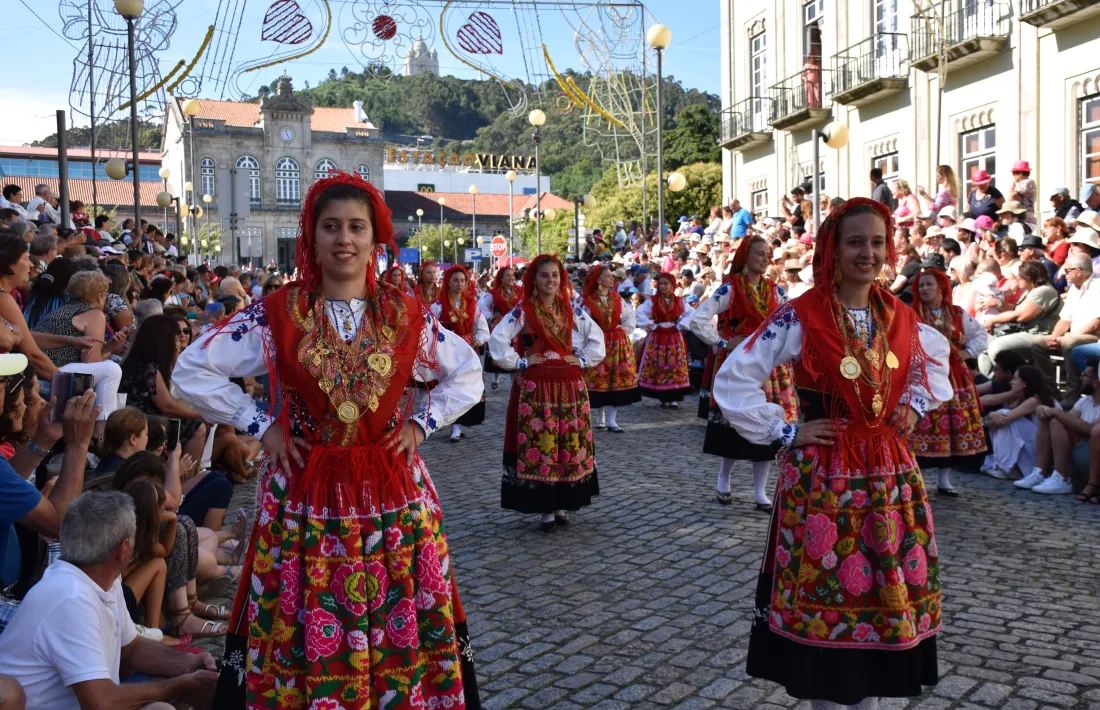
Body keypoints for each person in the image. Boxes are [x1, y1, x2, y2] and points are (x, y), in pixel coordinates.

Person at [174, 171, 483, 707]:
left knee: (397, 603)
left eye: (356, 227)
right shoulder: (276, 315)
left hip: (390, 489)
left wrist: (420, 424)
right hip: (304, 491)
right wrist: (260, 425)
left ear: (374, 239)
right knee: (301, 606)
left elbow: (469, 373)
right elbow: (191, 369)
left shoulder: (405, 315)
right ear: (311, 238)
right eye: (331, 226)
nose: (344, 238)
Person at [715, 197, 952, 707]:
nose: (868, 253)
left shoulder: (901, 315)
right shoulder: (801, 315)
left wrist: (912, 404)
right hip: (825, 473)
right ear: (832, 248)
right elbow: (734, 378)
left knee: (880, 591)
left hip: (889, 473)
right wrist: (786, 431)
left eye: (878, 242)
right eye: (855, 242)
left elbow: (933, 362)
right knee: (829, 589)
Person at [0, 491, 218, 708]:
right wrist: (181, 685)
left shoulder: (101, 579)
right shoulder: (71, 597)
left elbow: (131, 647)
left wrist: (189, 664)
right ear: (123, 549)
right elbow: (101, 703)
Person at [488, 254, 604, 531]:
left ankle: (562, 502)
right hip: (536, 385)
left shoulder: (571, 309)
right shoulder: (523, 310)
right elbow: (498, 339)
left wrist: (583, 359)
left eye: (555, 275)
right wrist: (519, 362)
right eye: (544, 276)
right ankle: (545, 509)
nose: (550, 280)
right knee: (541, 442)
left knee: (566, 441)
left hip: (567, 384)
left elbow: (596, 336)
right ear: (534, 280)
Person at [690, 235, 798, 510]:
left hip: (769, 369)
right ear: (746, 257)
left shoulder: (777, 292)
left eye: (768, 254)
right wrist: (723, 342)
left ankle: (760, 492)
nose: (765, 259)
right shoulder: (730, 290)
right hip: (739, 366)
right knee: (736, 425)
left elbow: (792, 323)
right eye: (760, 254)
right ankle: (723, 477)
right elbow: (698, 318)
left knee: (769, 424)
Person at [909, 268, 989, 495]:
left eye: (928, 284)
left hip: (953, 376)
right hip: (923, 374)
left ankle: (944, 480)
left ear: (941, 288)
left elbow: (980, 336)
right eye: (920, 285)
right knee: (922, 424)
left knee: (951, 426)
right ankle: (918, 479)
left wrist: (968, 352)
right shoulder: (912, 313)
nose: (924, 289)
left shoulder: (957, 314)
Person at [1014, 360, 1100, 496]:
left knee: (1056, 420)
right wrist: (1050, 412)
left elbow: (1089, 429)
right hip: (1079, 450)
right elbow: (1069, 419)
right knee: (1051, 419)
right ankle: (1040, 472)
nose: (1081, 378)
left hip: (1093, 455)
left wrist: (1056, 412)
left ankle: (1062, 478)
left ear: (1096, 381)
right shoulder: (1085, 401)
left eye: (1084, 375)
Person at [431, 264, 489, 442]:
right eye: (455, 280)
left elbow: (482, 327)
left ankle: (461, 423)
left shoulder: (472, 304)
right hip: (449, 351)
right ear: (448, 282)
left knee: (467, 386)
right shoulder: (438, 305)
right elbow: (431, 328)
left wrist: (479, 338)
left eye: (462, 280)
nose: (459, 284)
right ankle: (454, 426)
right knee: (451, 386)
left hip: (468, 351)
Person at [578, 264, 640, 432]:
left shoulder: (617, 298)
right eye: (607, 276)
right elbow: (582, 324)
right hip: (598, 343)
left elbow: (629, 317)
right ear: (598, 280)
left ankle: (612, 420)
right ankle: (600, 417)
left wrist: (624, 330)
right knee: (600, 378)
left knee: (616, 378)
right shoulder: (588, 301)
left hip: (617, 343)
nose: (612, 278)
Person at [982, 365, 1055, 481]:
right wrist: (989, 417)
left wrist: (990, 416)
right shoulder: (1022, 398)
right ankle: (1008, 467)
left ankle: (1005, 467)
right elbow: (995, 421)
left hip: (1045, 445)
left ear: (1025, 383)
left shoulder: (1035, 399)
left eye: (1015, 379)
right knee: (1002, 416)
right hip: (1034, 442)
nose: (1012, 382)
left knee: (1003, 414)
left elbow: (1005, 419)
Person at [635, 272, 693, 407]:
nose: (663, 286)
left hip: (673, 336)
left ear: (672, 285)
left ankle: (673, 397)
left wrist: (680, 325)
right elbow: (640, 312)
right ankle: (663, 396)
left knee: (674, 365)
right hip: (658, 336)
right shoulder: (652, 301)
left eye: (666, 284)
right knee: (659, 365)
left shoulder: (679, 301)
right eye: (660, 284)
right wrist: (652, 326)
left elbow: (690, 313)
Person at [478, 267, 521, 391]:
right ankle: (495, 379)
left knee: (514, 353)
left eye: (512, 275)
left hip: (516, 329)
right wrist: (491, 316)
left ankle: (514, 384)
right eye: (507, 276)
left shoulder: (520, 290)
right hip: (501, 326)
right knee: (499, 352)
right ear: (501, 278)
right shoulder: (494, 292)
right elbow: (481, 305)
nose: (511, 278)